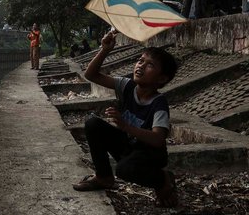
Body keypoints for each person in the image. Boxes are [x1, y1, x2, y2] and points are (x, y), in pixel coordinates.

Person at [72, 30, 178, 208]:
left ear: (162, 78)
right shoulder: (127, 86)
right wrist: (105, 49)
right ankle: (104, 177)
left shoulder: (158, 103)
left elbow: (158, 139)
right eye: (140, 60)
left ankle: (163, 180)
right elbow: (91, 75)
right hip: (129, 146)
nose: (141, 66)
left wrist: (125, 125)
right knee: (93, 124)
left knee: (124, 169)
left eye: (150, 64)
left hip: (149, 155)